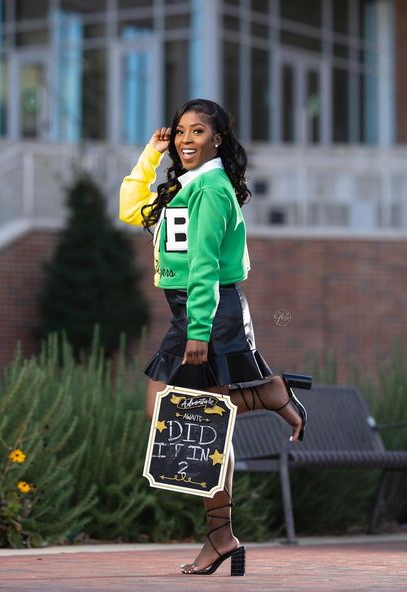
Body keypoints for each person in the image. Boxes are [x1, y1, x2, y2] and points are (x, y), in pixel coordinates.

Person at [119, 99, 311, 576]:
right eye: (181, 131)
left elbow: (205, 264)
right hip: (190, 311)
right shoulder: (186, 186)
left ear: (217, 139)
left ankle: (220, 538)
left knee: (198, 424)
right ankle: (268, 394)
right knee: (185, 419)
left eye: (198, 131)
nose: (186, 139)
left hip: (209, 313)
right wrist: (150, 153)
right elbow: (128, 209)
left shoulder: (212, 189)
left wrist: (198, 332)